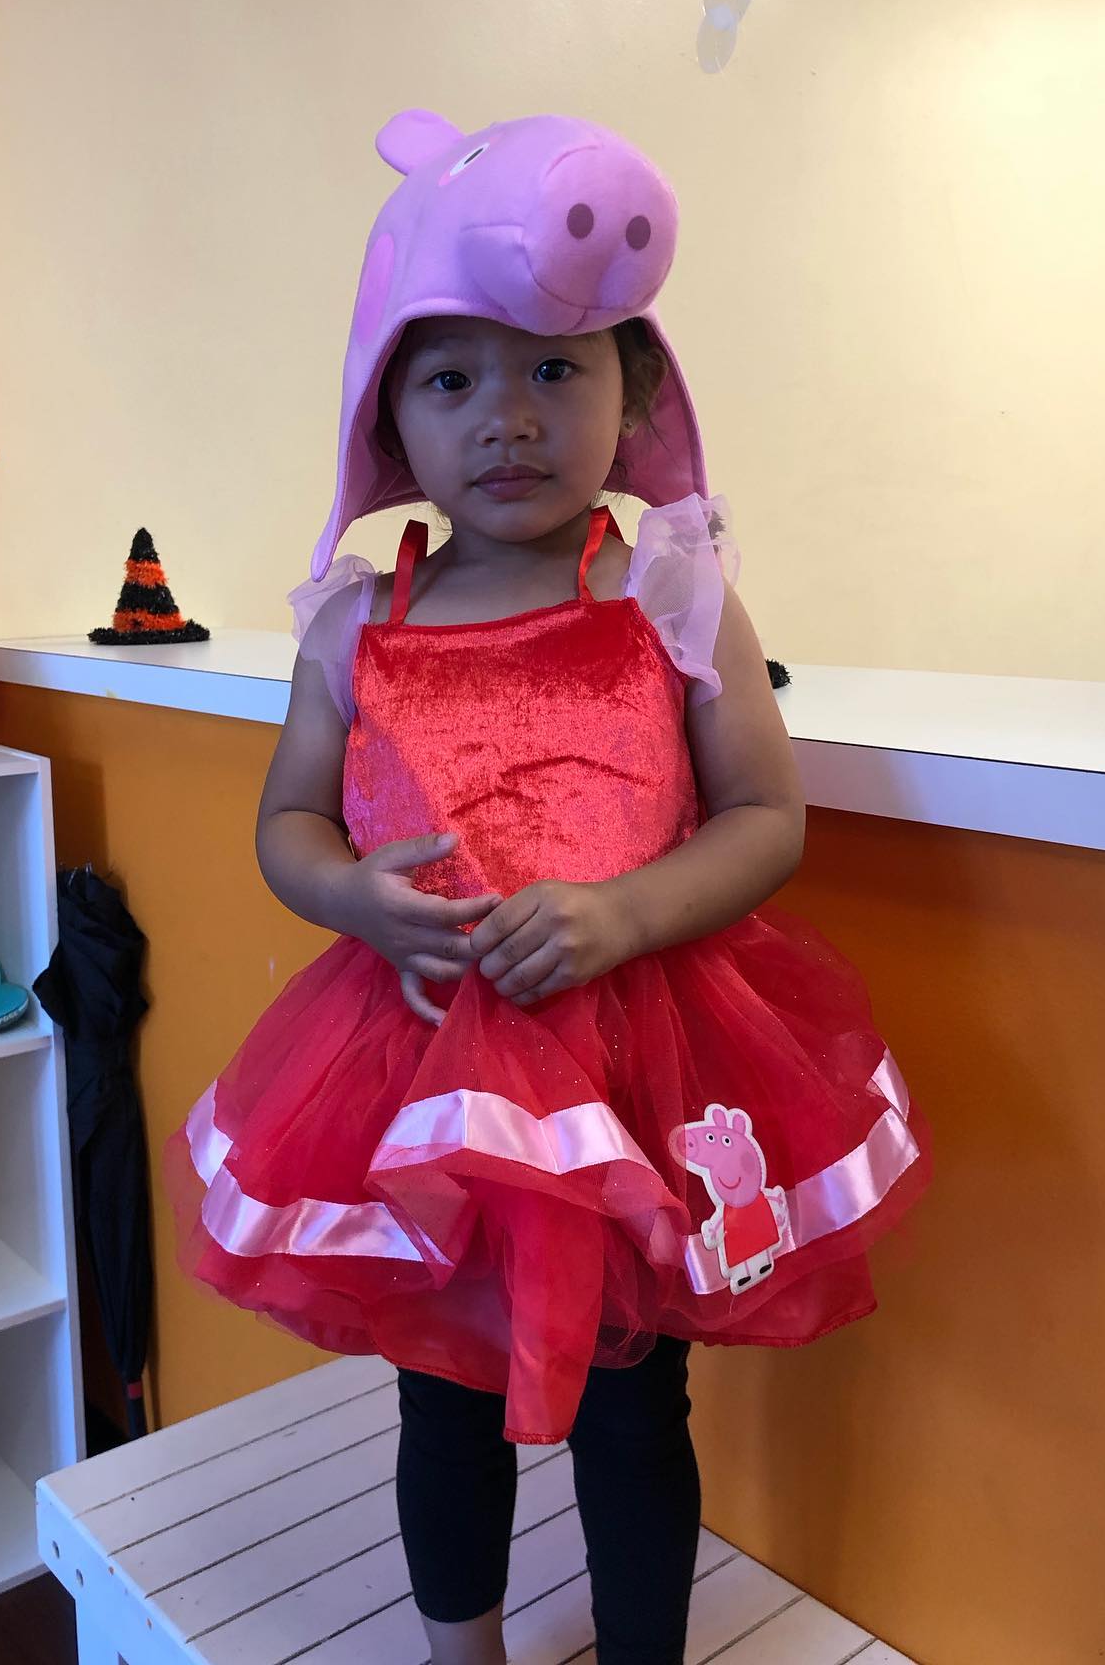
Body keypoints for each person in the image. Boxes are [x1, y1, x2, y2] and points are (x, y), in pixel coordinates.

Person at [167, 109, 930, 1665]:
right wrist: (351, 898)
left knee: (633, 1407)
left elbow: (766, 817)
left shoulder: (671, 591)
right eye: (452, 380)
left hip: (635, 1066)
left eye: (553, 373)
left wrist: (619, 913)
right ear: (391, 420)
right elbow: (288, 822)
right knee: (442, 1398)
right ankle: (466, 1655)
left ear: (630, 394)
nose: (505, 418)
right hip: (417, 1075)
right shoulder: (355, 623)